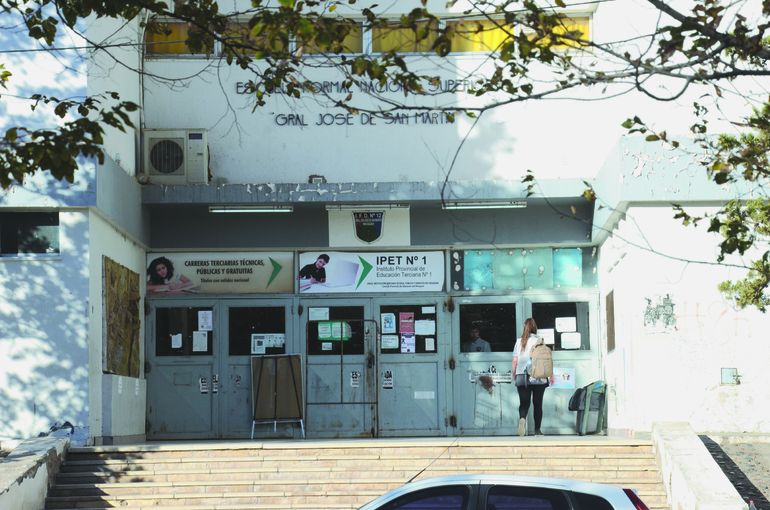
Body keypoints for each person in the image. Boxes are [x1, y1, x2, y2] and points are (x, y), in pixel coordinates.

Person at [512, 317, 552, 436]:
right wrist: (550, 374)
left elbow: (515, 360)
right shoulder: (540, 341)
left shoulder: (519, 341)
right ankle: (537, 430)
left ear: (524, 328)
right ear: (535, 328)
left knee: (524, 403)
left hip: (522, 375)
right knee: (537, 404)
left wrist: (514, 373)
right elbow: (546, 360)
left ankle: (522, 419)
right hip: (538, 376)